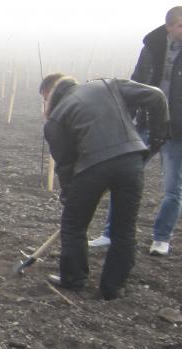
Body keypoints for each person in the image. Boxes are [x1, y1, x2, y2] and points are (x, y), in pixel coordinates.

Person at [41, 73, 167, 299]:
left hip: (91, 167)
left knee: (74, 225)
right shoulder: (107, 85)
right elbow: (156, 96)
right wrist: (158, 138)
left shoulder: (56, 119)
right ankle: (113, 287)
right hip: (131, 161)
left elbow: (65, 163)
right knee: (124, 229)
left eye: (43, 99)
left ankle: (73, 279)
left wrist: (69, 195)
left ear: (50, 95)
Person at [133, 7, 182, 256]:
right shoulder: (151, 48)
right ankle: (110, 233)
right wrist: (129, 117)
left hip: (177, 131)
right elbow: (135, 82)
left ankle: (161, 238)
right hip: (148, 124)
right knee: (126, 177)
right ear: (169, 27)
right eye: (181, 26)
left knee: (173, 188)